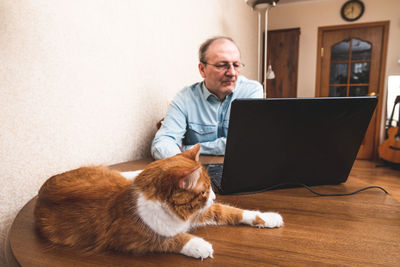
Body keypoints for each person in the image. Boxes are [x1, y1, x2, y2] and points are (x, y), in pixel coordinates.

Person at [151, 36, 263, 160]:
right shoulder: (184, 98)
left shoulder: (251, 91)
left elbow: (247, 142)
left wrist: (188, 149)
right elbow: (162, 142)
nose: (232, 73)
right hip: (198, 171)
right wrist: (182, 166)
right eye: (222, 65)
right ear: (202, 69)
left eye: (236, 65)